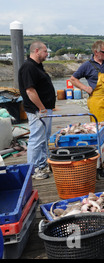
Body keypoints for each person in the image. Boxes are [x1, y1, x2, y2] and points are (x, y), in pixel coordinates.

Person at [18, 41, 55, 179]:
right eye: (45, 51)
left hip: (44, 109)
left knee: (44, 137)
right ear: (37, 51)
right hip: (37, 111)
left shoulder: (37, 66)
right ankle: (33, 170)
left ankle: (42, 163)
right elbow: (30, 90)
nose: (47, 54)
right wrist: (41, 108)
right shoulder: (28, 67)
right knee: (36, 139)